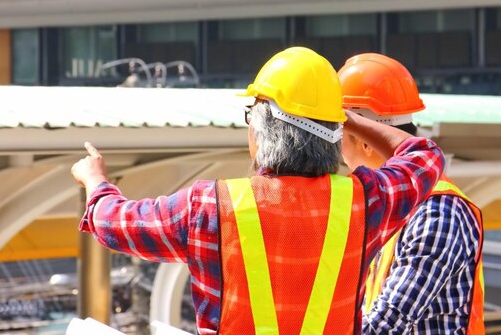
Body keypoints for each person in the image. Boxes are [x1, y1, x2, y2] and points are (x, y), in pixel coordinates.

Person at [72, 47, 445, 334]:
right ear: (336, 132)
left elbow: (113, 222)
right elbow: (424, 155)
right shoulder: (364, 203)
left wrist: (96, 181)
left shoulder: (208, 206)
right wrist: (342, 116)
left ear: (259, 133)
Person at [337, 53, 484, 334]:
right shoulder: (384, 203)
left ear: (366, 141)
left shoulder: (437, 211)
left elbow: (384, 326)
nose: (336, 147)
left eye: (340, 133)